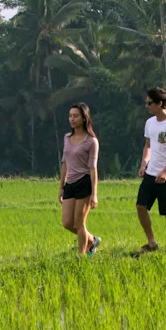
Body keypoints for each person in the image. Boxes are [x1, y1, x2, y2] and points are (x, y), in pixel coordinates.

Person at [135, 86, 166, 254]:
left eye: (149, 103)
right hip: (151, 172)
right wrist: (144, 164)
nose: (147, 106)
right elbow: (148, 146)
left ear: (160, 103)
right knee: (140, 206)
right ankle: (152, 243)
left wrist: (165, 170)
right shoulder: (150, 123)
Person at [59, 103, 101, 255]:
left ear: (84, 118)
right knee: (67, 223)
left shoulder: (91, 141)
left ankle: (81, 256)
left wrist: (94, 194)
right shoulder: (67, 138)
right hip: (69, 183)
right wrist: (61, 186)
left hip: (84, 183)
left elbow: (93, 168)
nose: (72, 119)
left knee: (79, 222)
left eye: (75, 116)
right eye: (70, 116)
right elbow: (64, 162)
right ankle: (92, 240)